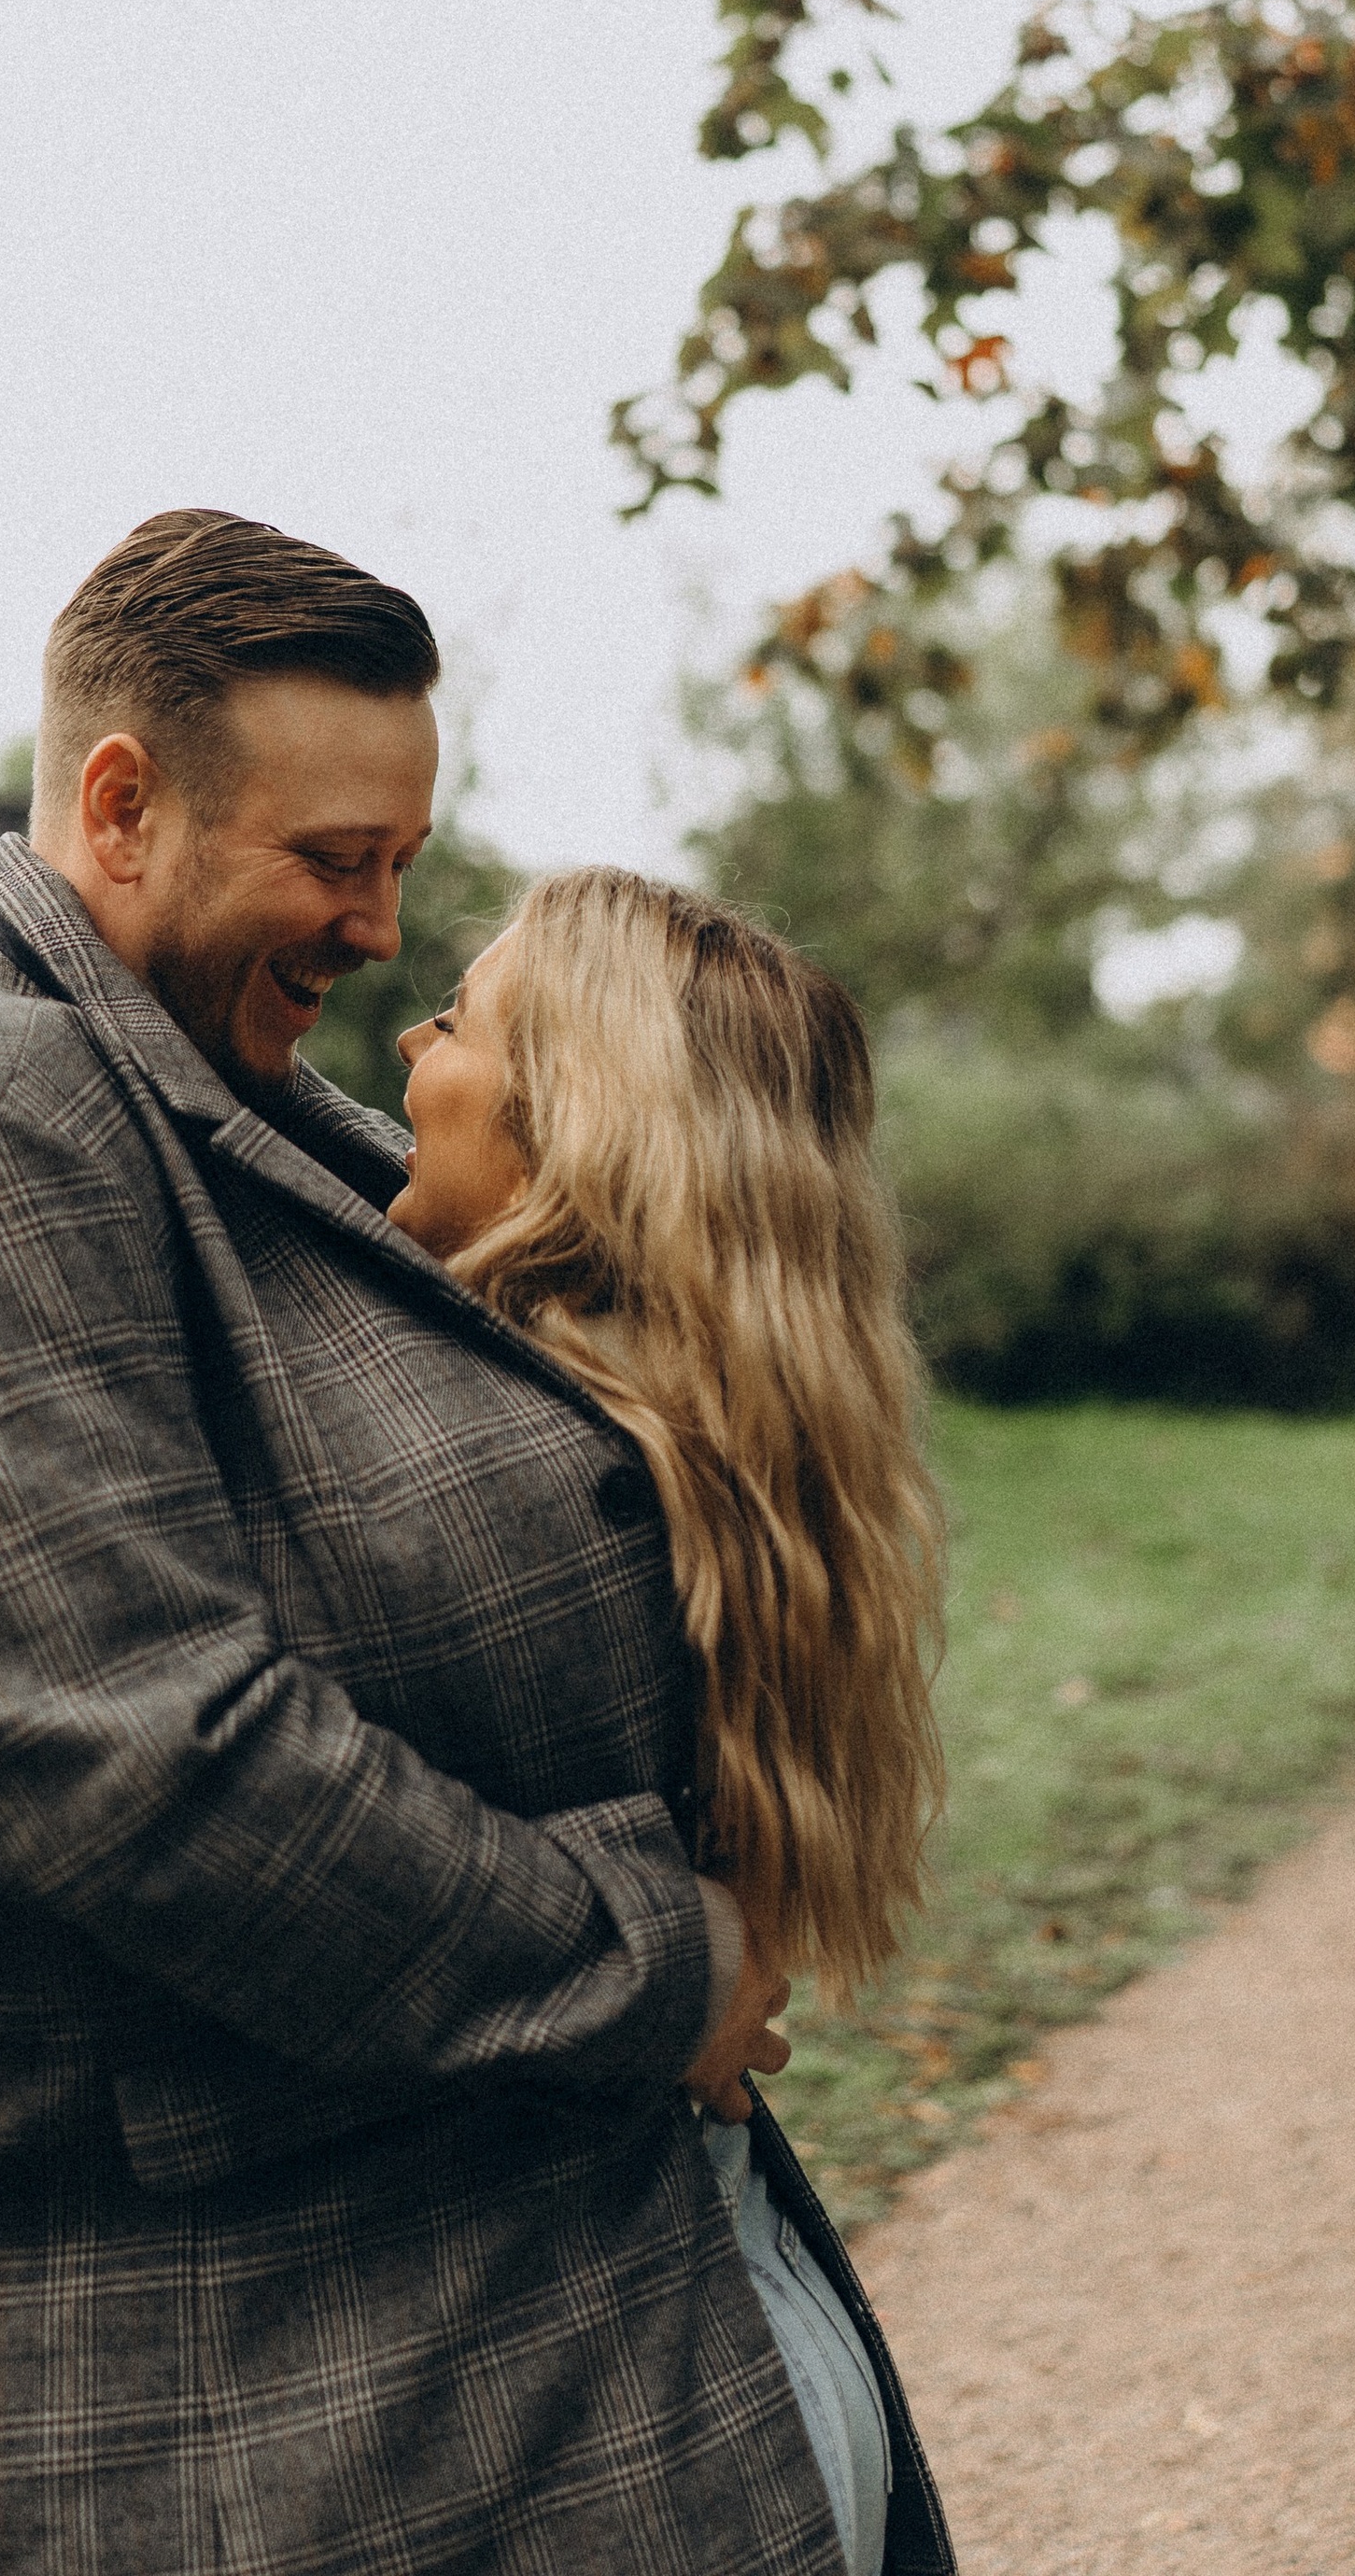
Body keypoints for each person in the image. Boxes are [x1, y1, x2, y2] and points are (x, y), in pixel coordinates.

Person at [0, 507, 953, 2576]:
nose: (378, 932)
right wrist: (659, 1971)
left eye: (400, 864)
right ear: (121, 807)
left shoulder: (207, 1096)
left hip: (346, 2214)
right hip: (88, 2321)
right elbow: (151, 1766)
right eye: (336, 859)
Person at [390, 869, 951, 2576]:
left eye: (456, 1022)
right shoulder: (724, 1465)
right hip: (751, 2330)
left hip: (643, 2424)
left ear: (571, 1130)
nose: (407, 1043)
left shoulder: (519, 1492)